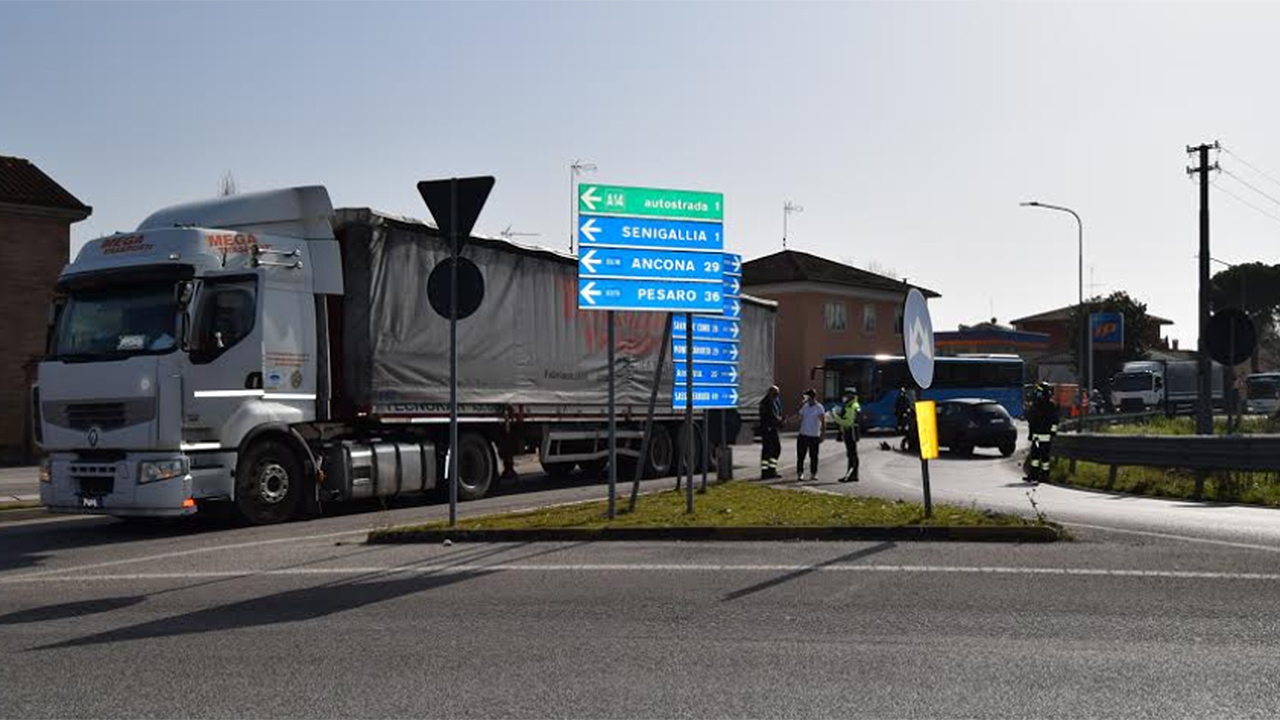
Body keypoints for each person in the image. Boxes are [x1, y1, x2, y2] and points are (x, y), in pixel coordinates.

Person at [1024, 381, 1059, 483]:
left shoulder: (1049, 405)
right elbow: (1031, 421)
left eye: (1039, 392)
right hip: (1038, 436)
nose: (1038, 394)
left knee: (1043, 457)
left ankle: (1043, 476)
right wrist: (1031, 434)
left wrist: (1052, 432)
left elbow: (1055, 421)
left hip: (1044, 436)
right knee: (1035, 457)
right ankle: (1034, 475)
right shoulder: (1038, 405)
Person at [831, 387, 861, 483]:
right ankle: (852, 475)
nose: (845, 397)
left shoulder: (851, 406)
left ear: (851, 396)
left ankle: (850, 475)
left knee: (852, 454)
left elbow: (848, 422)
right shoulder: (853, 404)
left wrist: (835, 417)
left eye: (847, 395)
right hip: (851, 432)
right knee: (852, 454)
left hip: (850, 432)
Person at [796, 388, 826, 481]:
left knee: (813, 456)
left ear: (811, 397)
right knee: (801, 456)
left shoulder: (819, 407)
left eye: (806, 396)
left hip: (814, 436)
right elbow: (799, 417)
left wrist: (822, 434)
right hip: (803, 434)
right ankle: (800, 473)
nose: (805, 398)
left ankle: (813, 473)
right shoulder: (805, 406)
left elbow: (823, 422)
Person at [758, 385, 782, 479]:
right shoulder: (766, 402)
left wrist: (780, 421)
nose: (777, 395)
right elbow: (771, 416)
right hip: (768, 430)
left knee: (775, 450)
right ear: (770, 392)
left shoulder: (774, 401)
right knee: (770, 450)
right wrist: (779, 421)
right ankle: (766, 472)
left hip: (772, 429)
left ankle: (771, 470)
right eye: (775, 393)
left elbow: (777, 414)